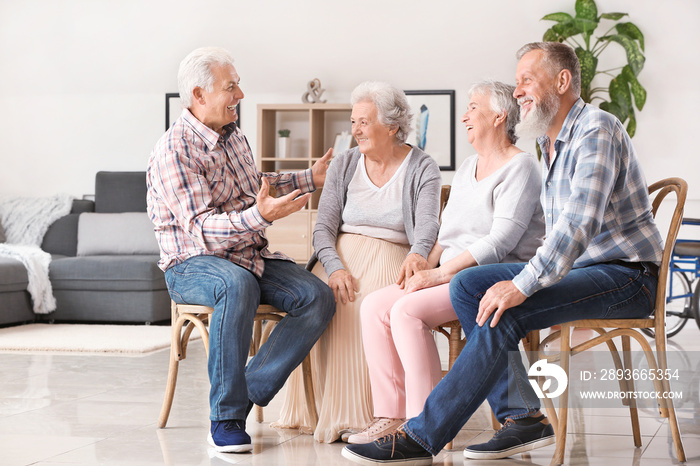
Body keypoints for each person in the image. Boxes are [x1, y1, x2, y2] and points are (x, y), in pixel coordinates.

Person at [343, 41, 663, 465]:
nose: (518, 92)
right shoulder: (550, 144)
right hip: (586, 270)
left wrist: (520, 284)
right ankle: (523, 417)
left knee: (502, 303)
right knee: (471, 285)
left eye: (527, 80)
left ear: (563, 81)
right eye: (516, 83)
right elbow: (557, 237)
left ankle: (424, 434)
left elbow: (575, 230)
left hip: (625, 276)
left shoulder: (595, 131)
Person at [146, 46, 335, 454]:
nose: (241, 95)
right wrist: (261, 217)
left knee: (317, 296)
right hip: (192, 263)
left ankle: (247, 387)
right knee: (237, 286)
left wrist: (309, 178)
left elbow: (258, 187)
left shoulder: (234, 137)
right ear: (199, 95)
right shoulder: (174, 151)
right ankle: (226, 415)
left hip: (248, 257)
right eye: (231, 87)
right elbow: (201, 230)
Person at [347, 80, 545, 444]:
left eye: (473, 107)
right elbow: (446, 231)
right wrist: (425, 262)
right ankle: (390, 414)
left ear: (499, 116)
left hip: (486, 279)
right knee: (375, 305)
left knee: (407, 311)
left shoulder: (521, 167)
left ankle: (420, 424)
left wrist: (439, 274)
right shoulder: (470, 165)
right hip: (448, 273)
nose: (465, 115)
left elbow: (500, 242)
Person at [273, 81, 442, 443]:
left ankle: (381, 414)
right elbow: (323, 228)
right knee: (322, 299)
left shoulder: (422, 166)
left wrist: (417, 252)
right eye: (354, 122)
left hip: (395, 254)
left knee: (368, 305)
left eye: (364, 122)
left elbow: (428, 223)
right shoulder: (346, 163)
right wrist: (334, 267)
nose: (356, 130)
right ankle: (325, 412)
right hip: (340, 257)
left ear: (393, 126)